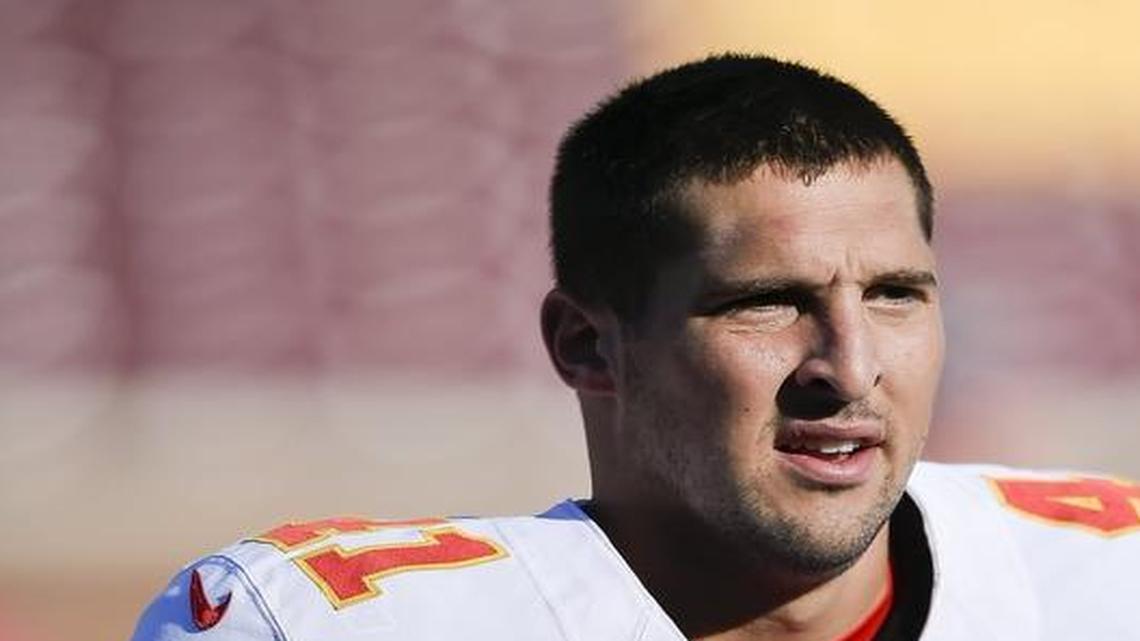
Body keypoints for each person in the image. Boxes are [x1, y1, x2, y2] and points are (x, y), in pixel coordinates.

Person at [131, 54, 1140, 641]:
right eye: (767, 302)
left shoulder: (1109, 577)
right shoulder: (321, 623)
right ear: (588, 344)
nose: (848, 363)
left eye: (893, 295)